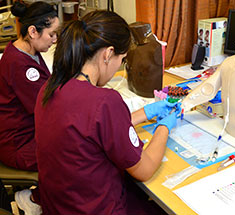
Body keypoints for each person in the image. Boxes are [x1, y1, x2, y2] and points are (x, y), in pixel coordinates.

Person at [34, 10, 181, 215]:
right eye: (122, 60)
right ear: (108, 53)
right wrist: (164, 128)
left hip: (60, 206)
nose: (119, 67)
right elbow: (145, 170)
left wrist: (145, 113)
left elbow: (91, 128)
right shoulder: (104, 102)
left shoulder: (50, 87)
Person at [0, 1, 59, 214]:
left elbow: (48, 89)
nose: (54, 40)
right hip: (18, 143)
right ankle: (33, 199)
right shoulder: (19, 64)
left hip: (27, 133)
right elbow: (48, 108)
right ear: (33, 31)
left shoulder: (26, 52)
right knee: (74, 150)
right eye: (51, 34)